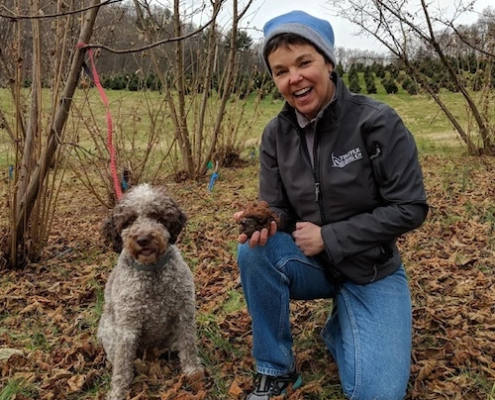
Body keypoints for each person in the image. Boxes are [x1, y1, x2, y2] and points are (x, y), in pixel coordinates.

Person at [234, 10, 429, 400]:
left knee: (376, 393)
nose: (295, 78)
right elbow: (280, 207)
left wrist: (330, 236)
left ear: (328, 61)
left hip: (371, 270)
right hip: (313, 266)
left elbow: (410, 207)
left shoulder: (377, 122)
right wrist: (265, 220)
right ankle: (275, 366)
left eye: (304, 62)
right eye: (281, 71)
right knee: (253, 252)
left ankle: (342, 328)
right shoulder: (276, 134)